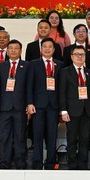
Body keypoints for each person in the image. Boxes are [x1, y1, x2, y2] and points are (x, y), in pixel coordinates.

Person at [0, 40, 29, 169]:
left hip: (20, 107)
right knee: (5, 137)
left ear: (20, 51)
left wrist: (29, 104)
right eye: (11, 48)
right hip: (4, 107)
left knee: (20, 137)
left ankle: (20, 163)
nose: (13, 50)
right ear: (7, 51)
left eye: (16, 48)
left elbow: (29, 88)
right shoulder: (1, 66)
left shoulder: (26, 66)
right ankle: (5, 162)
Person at [60, 45, 90, 170]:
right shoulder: (65, 72)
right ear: (71, 57)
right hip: (71, 111)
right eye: (76, 54)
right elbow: (62, 93)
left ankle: (83, 164)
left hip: (86, 111)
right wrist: (63, 110)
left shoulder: (89, 72)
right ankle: (72, 164)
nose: (79, 57)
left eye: (82, 54)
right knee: (71, 139)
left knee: (85, 139)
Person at [26, 38, 62, 169]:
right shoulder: (33, 64)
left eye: (50, 47)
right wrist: (30, 103)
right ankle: (37, 163)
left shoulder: (59, 65)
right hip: (37, 106)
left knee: (52, 136)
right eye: (44, 46)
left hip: (53, 106)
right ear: (41, 49)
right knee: (37, 135)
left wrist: (61, 107)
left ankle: (50, 163)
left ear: (53, 49)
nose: (47, 49)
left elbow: (61, 88)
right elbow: (29, 85)